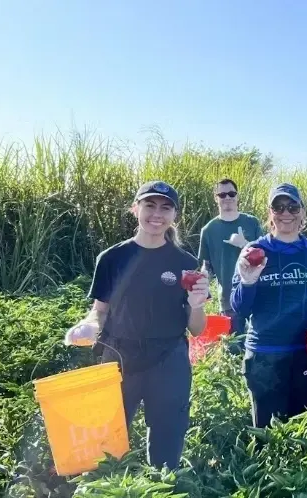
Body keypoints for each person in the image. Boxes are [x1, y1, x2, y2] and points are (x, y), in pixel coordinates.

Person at [63, 180, 210, 470]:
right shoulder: (112, 258)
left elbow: (196, 329)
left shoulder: (186, 262)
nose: (157, 213)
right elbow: (99, 311)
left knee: (167, 441)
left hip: (169, 359)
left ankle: (162, 484)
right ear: (135, 209)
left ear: (174, 215)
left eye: (165, 207)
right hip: (118, 357)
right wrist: (89, 326)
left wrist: (196, 305)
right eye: (149, 205)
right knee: (108, 441)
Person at [230, 183, 307, 428]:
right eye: (279, 207)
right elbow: (239, 308)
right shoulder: (254, 251)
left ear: (303, 212)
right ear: (270, 212)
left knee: (302, 427)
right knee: (266, 432)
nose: (286, 213)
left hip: (304, 352)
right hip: (265, 354)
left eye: (292, 206)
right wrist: (248, 281)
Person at [198, 178, 263, 349]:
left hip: (258, 295)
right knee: (233, 351)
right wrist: (204, 279)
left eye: (231, 193)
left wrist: (245, 244)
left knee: (257, 350)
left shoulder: (252, 222)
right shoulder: (208, 230)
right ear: (216, 198)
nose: (227, 197)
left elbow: (266, 256)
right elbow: (207, 265)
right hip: (228, 299)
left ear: (237, 196)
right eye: (222, 194)